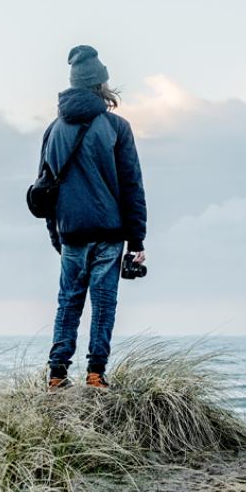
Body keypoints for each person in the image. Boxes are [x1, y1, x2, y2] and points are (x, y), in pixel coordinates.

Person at [40, 45, 147, 390]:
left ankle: (57, 375)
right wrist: (137, 240)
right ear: (101, 85)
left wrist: (57, 235)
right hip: (108, 232)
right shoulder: (116, 127)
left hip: (70, 233)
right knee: (103, 305)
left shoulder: (53, 130)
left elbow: (45, 191)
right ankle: (95, 375)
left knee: (67, 303)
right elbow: (132, 185)